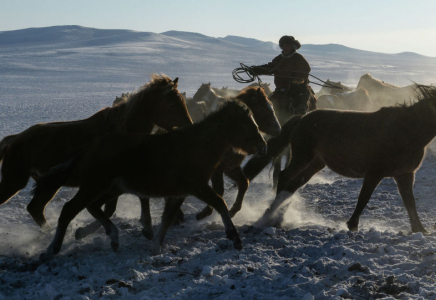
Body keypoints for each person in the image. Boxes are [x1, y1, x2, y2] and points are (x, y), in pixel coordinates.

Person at [249, 35, 316, 112]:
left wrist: (293, 78)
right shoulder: (279, 59)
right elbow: (269, 68)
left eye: (288, 45)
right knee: (269, 105)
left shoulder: (298, 58)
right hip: (281, 90)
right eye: (283, 46)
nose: (285, 48)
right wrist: (255, 70)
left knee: (305, 104)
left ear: (292, 46)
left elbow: (306, 70)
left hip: (297, 89)